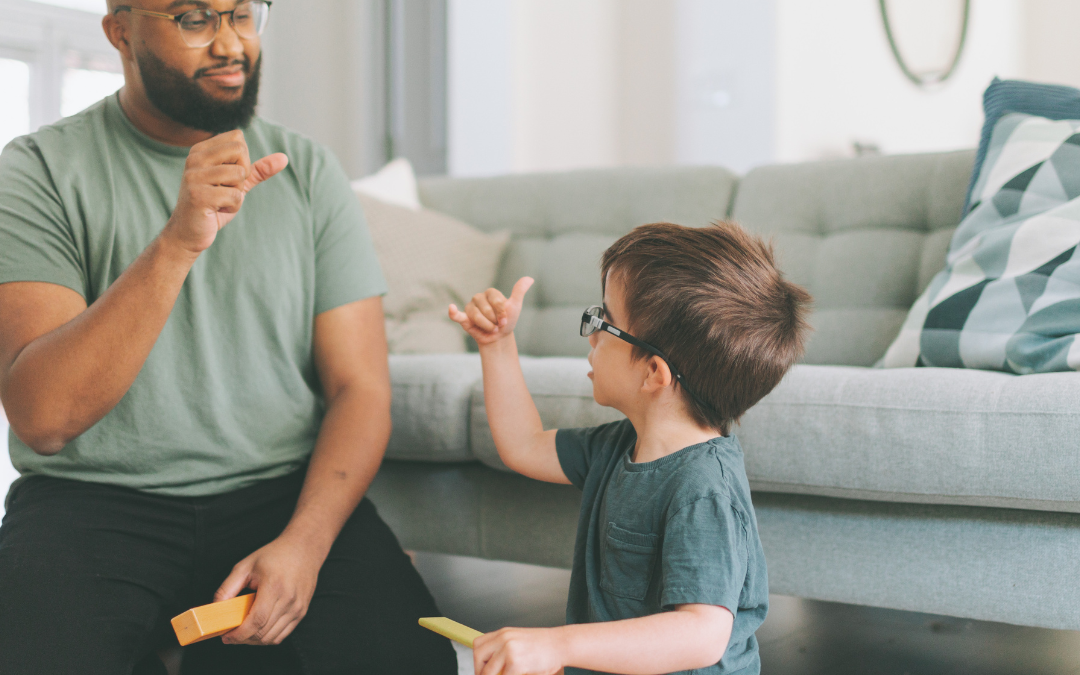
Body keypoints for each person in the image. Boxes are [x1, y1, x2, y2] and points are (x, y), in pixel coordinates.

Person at [0, 1, 456, 673]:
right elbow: (43, 418)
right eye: (193, 17)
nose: (229, 43)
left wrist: (305, 543)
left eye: (243, 14)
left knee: (412, 662)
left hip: (279, 494)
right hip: (93, 500)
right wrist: (178, 243)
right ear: (119, 31)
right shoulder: (37, 169)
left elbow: (359, 387)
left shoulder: (309, 171)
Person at [449, 221, 812, 675]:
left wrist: (559, 645)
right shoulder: (620, 446)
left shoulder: (703, 491)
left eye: (605, 322)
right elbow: (523, 446)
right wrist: (497, 345)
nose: (592, 334)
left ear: (654, 374)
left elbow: (702, 634)